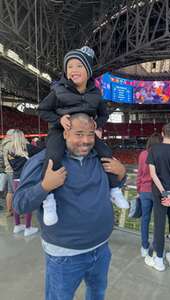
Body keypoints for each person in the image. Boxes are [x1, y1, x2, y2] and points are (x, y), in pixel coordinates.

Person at [13, 113, 126, 300]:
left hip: (101, 249)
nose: (86, 141)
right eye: (79, 134)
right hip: (64, 256)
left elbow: (111, 187)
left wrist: (121, 175)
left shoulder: (100, 158)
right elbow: (19, 204)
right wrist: (45, 187)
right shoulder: (44, 162)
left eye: (90, 134)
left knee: (97, 294)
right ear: (65, 133)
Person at [39, 46, 128, 226]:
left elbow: (104, 115)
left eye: (78, 66)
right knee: (52, 156)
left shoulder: (96, 94)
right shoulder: (58, 90)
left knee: (105, 152)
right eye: (70, 66)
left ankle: (114, 189)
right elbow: (42, 110)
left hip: (86, 133)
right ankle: (48, 200)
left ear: (87, 71)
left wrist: (97, 124)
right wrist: (59, 119)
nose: (73, 70)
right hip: (60, 131)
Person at [145, 123, 170, 271]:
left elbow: (153, 174)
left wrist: (163, 192)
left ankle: (160, 260)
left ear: (162, 133)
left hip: (159, 192)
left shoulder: (154, 149)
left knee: (159, 225)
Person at [7, 129, 40, 236]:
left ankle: (17, 226)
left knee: (17, 201)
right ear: (22, 137)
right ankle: (28, 227)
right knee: (27, 202)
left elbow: (12, 166)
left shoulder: (9, 151)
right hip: (26, 178)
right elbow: (42, 151)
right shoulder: (28, 147)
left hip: (15, 178)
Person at [136, 132, 162, 257]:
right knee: (158, 221)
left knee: (145, 220)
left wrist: (138, 190)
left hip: (144, 191)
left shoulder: (143, 154)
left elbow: (139, 174)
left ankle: (144, 247)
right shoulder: (160, 154)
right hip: (156, 191)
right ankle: (155, 247)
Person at [2, 129, 15, 217]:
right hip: (13, 170)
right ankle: (18, 211)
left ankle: (9, 211)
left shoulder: (4, 144)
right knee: (16, 191)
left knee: (10, 192)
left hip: (8, 170)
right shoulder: (11, 145)